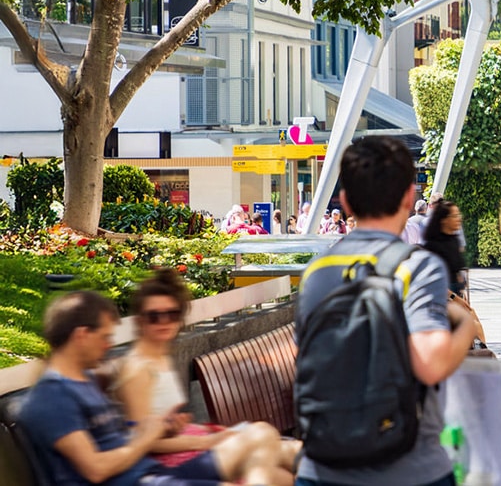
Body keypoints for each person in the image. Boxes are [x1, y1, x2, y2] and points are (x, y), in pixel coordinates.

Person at [296, 135, 477, 486]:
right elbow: (431, 363)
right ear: (410, 198)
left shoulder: (316, 271)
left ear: (346, 202)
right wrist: (466, 325)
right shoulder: (417, 266)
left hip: (320, 468)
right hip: (411, 469)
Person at [20, 291, 290, 486]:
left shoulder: (83, 380)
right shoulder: (52, 397)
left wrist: (161, 427)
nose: (108, 345)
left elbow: (113, 438)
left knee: (269, 452)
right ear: (81, 335)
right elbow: (96, 470)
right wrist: (146, 438)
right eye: (104, 337)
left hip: (148, 473)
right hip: (138, 479)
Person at [112, 269, 300, 472]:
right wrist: (208, 441)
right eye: (154, 316)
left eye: (172, 314)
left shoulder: (160, 357)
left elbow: (164, 428)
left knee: (290, 460)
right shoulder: (137, 369)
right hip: (169, 464)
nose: (164, 322)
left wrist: (204, 431)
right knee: (266, 436)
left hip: (190, 446)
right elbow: (146, 442)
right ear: (140, 320)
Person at [424, 200, 467, 297]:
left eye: (459, 215)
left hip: (455, 295)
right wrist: (454, 298)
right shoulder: (433, 246)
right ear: (444, 220)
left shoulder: (454, 240)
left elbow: (458, 271)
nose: (459, 219)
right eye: (454, 216)